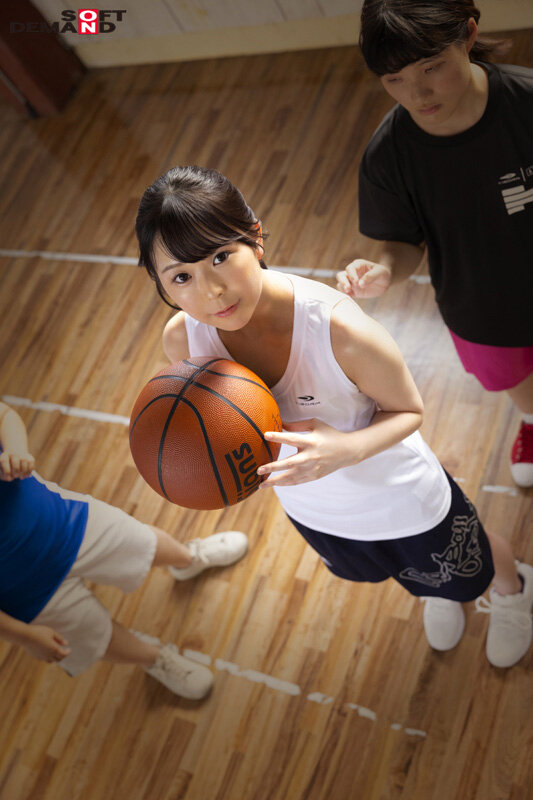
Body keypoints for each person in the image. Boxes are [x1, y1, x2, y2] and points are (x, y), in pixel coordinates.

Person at [135, 164, 533, 668]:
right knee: (414, 572)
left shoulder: (338, 328)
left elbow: (410, 410)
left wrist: (345, 450)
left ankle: (513, 585)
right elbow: (221, 423)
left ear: (255, 238)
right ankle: (437, 591)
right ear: (163, 286)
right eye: (182, 277)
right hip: (314, 508)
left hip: (400, 493)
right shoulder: (182, 339)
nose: (211, 290)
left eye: (220, 256)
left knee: (469, 552)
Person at [335, 0, 533, 487]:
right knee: (516, 382)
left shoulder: (527, 101)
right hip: (481, 308)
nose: (416, 92)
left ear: (467, 35)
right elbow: (400, 244)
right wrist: (383, 269)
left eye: (431, 68)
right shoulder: (388, 156)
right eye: (394, 79)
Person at [0, 400, 248, 698]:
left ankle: (189, 559)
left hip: (62, 520)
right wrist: (25, 636)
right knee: (93, 635)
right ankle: (157, 660)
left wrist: (15, 449)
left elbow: (4, 415)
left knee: (141, 541)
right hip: (21, 591)